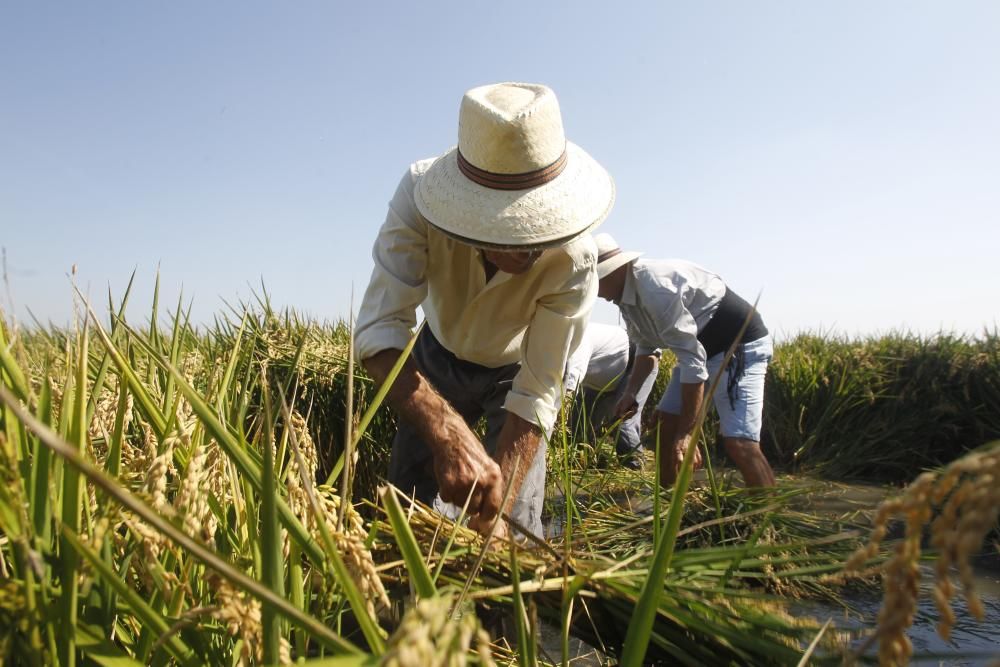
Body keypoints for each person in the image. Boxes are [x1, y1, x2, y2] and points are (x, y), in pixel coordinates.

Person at [354, 83, 615, 539]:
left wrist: (497, 514)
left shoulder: (575, 260)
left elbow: (535, 392)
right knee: (406, 506)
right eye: (507, 230)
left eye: (538, 228)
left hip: (510, 374)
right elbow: (379, 332)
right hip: (433, 358)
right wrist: (447, 431)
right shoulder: (419, 199)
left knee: (515, 525)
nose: (527, 249)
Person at [592, 233, 777, 488]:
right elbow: (646, 348)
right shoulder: (624, 297)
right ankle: (670, 506)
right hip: (698, 349)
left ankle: (765, 519)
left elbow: (692, 363)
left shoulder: (654, 287)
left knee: (739, 442)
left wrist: (688, 432)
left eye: (595, 281)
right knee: (664, 427)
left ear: (612, 271)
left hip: (736, 346)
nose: (593, 290)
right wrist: (631, 393)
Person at [563, 322, 658, 468]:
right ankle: (586, 464)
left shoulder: (577, 340)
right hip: (602, 379)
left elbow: (567, 391)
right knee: (577, 423)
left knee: (623, 422)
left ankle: (635, 470)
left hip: (638, 364)